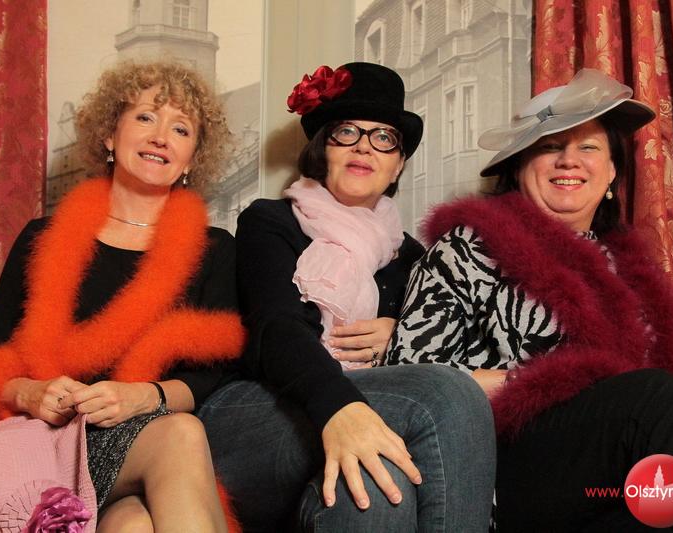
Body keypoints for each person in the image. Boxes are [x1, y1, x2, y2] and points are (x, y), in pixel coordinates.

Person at [387, 68, 673, 531]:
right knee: (656, 399)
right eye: (550, 146)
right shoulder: (469, 247)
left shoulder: (629, 272)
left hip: (600, 480)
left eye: (588, 147)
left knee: (671, 508)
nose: (569, 160)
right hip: (500, 464)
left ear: (611, 173)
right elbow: (409, 384)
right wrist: (529, 382)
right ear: (519, 169)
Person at [0, 61, 243, 532]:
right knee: (161, 473)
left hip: (139, 440)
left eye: (180, 128)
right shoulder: (42, 237)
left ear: (191, 159)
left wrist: (143, 396)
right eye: (145, 117)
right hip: (42, 446)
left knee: (153, 489)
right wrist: (31, 393)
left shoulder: (215, 249)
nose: (160, 137)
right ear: (109, 135)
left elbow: (216, 376)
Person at [198, 62, 496, 532]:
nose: (364, 146)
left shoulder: (413, 257)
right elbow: (276, 331)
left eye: (384, 138)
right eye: (347, 132)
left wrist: (401, 334)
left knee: (379, 489)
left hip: (364, 415)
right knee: (446, 391)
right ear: (323, 149)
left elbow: (437, 349)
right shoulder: (270, 221)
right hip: (256, 414)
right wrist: (341, 408)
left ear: (399, 164)